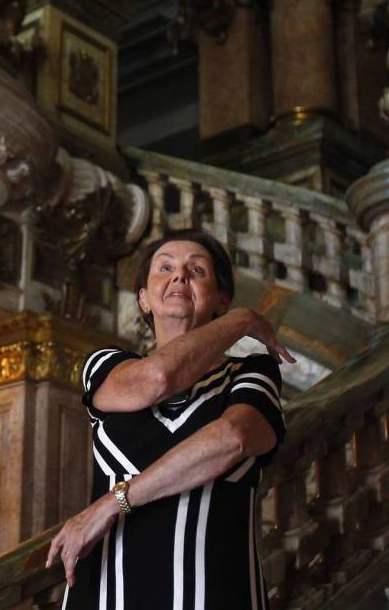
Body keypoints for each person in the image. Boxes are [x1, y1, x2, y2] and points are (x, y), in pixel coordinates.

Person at [45, 228, 295, 610]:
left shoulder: (252, 372)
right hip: (105, 595)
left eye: (197, 270)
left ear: (221, 299)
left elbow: (233, 438)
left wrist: (113, 503)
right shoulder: (106, 365)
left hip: (215, 595)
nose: (179, 276)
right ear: (143, 298)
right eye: (165, 268)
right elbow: (157, 379)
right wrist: (244, 321)